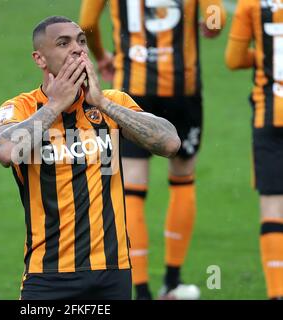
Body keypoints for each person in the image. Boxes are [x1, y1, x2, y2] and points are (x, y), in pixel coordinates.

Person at [0, 15, 180, 300]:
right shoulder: (22, 108)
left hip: (112, 272)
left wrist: (102, 103)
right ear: (40, 59)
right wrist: (55, 106)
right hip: (49, 275)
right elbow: (5, 151)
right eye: (64, 43)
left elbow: (169, 143)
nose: (78, 49)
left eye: (81, 41)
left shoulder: (112, 103)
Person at [80, 0, 226, 299]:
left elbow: (86, 23)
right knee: (183, 176)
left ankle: (141, 289)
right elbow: (215, 20)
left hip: (132, 91)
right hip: (181, 91)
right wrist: (212, 27)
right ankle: (172, 281)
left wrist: (101, 55)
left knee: (132, 187)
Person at [225, 0, 283, 300]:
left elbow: (233, 59)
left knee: (273, 207)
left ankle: (276, 292)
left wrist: (264, 55)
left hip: (270, 116)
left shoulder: (251, 5)